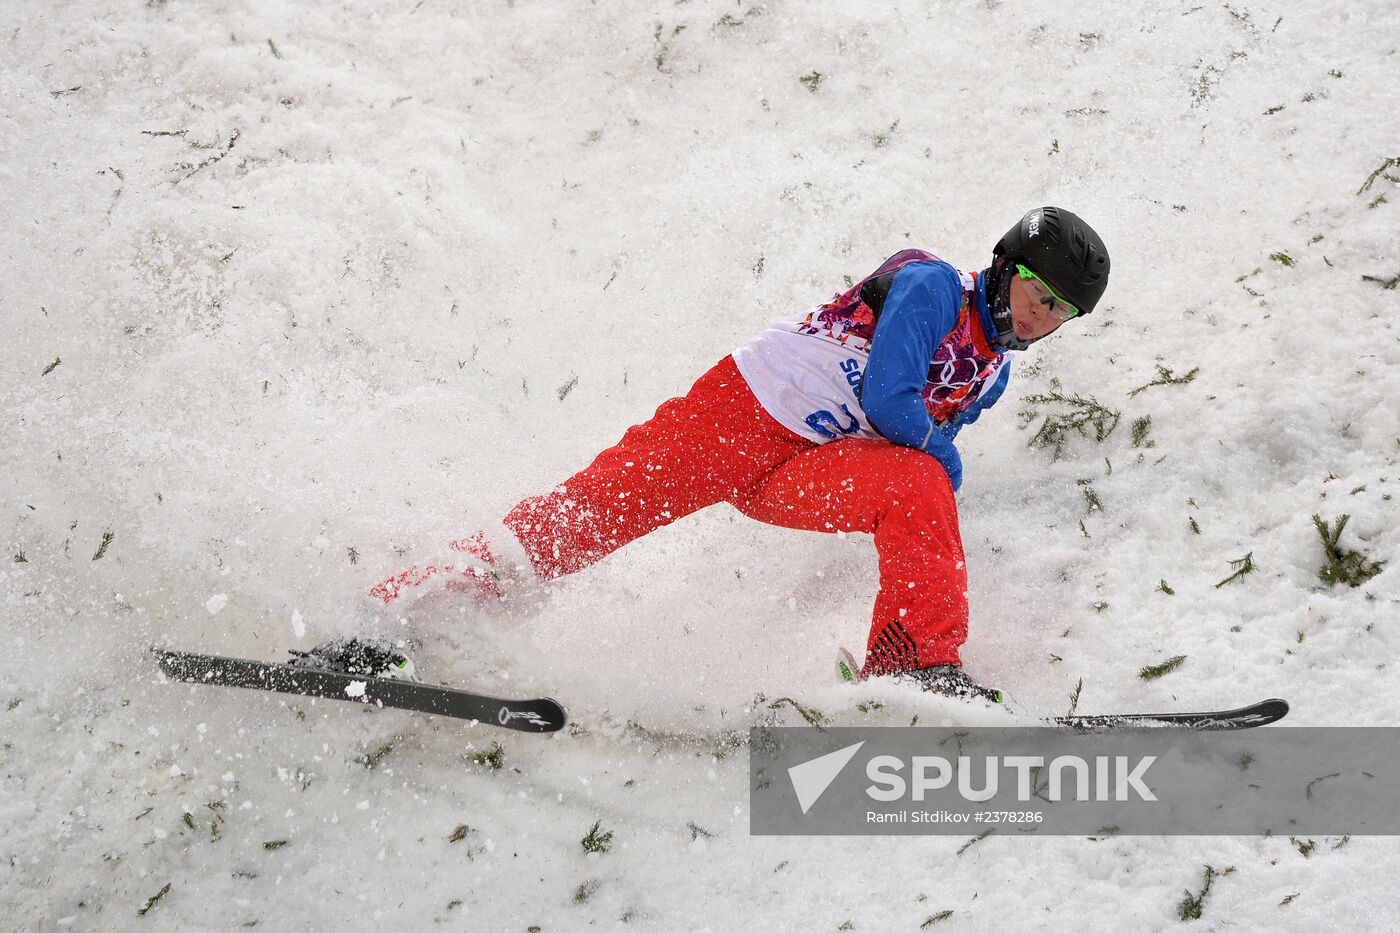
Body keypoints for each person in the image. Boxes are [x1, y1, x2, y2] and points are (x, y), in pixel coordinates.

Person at [297, 207, 1110, 704]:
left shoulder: (992, 371)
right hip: (740, 417)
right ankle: (385, 618)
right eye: (1039, 294)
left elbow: (913, 455)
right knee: (583, 521)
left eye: (1062, 313)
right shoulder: (937, 286)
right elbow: (892, 401)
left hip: (804, 468)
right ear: (1008, 265)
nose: (1042, 318)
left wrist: (937, 466)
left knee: (918, 486)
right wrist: (944, 459)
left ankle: (912, 664)